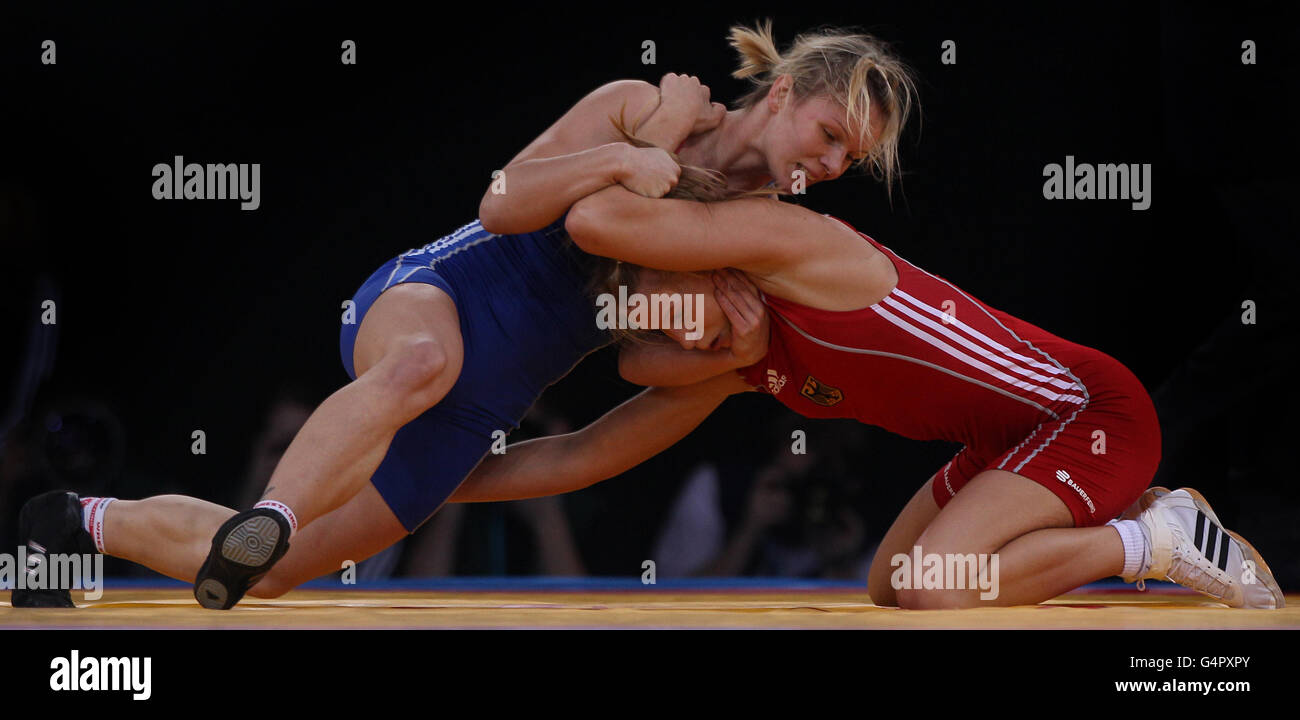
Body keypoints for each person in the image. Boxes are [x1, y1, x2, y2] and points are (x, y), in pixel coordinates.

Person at [12, 21, 920, 608]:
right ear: (783, 94)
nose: (835, 164)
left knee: (273, 577)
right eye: (831, 133)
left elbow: (640, 368)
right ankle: (280, 509)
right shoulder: (646, 106)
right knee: (417, 371)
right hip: (440, 295)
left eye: (854, 158)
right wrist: (631, 153)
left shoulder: (758, 236)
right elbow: (502, 199)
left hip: (491, 406)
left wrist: (730, 350)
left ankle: (74, 522)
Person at [449, 177, 1286, 610]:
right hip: (1012, 443)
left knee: (937, 587)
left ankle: (1156, 540)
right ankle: (1149, 519)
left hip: (1086, 414)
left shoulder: (800, 251)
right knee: (891, 585)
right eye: (651, 327)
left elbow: (610, 220)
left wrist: (621, 147)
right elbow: (586, 452)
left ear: (705, 260)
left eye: (668, 309)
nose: (669, 336)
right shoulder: (736, 364)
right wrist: (434, 485)